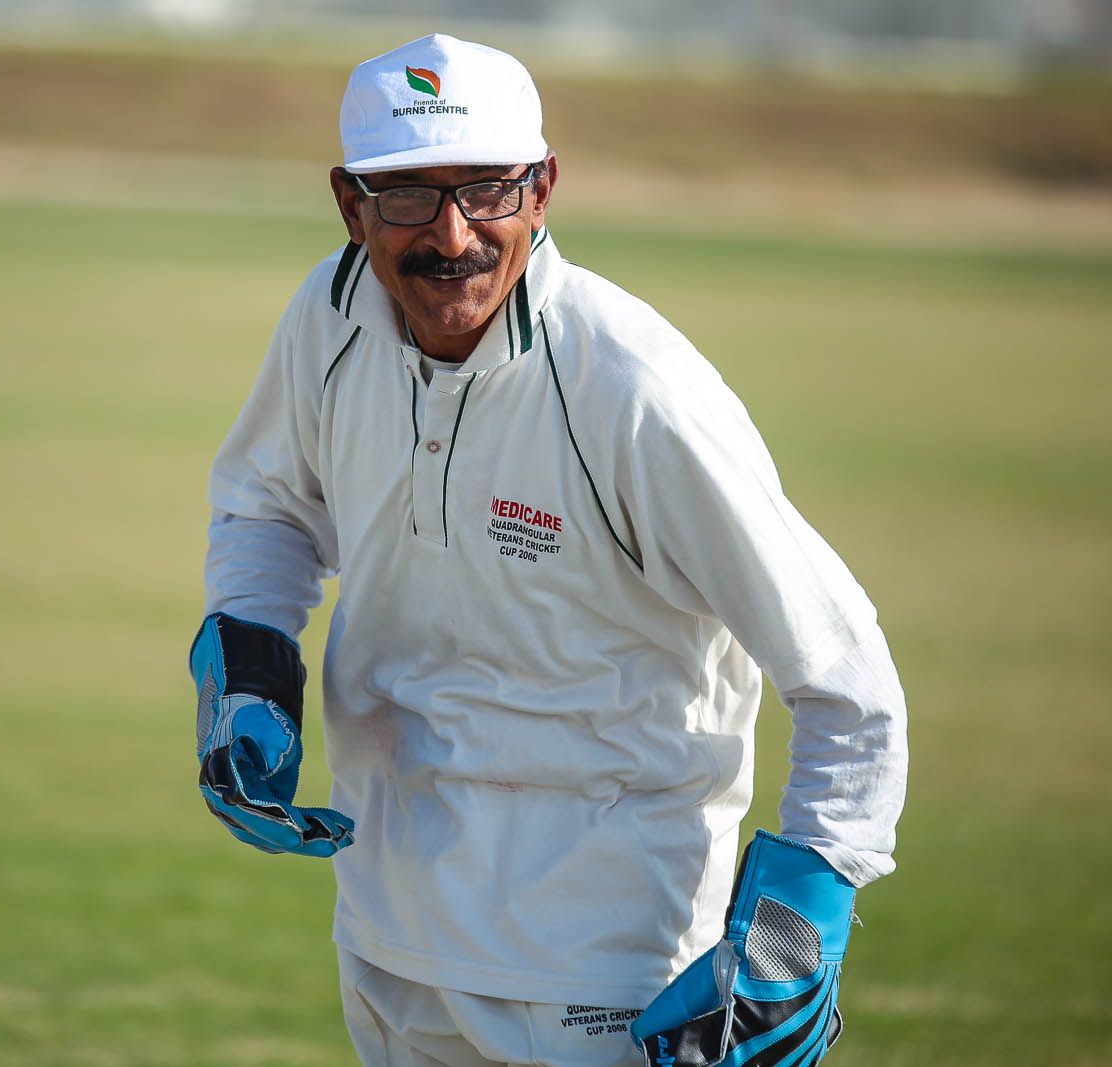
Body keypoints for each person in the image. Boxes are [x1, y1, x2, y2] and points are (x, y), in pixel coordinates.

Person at [189, 33, 908, 1067]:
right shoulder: (329, 318)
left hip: (602, 973)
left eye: (487, 190)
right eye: (409, 196)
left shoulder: (633, 390)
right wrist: (250, 671)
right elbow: (267, 507)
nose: (452, 236)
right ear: (350, 205)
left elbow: (848, 678)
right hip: (386, 941)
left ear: (542, 190)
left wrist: (797, 926)